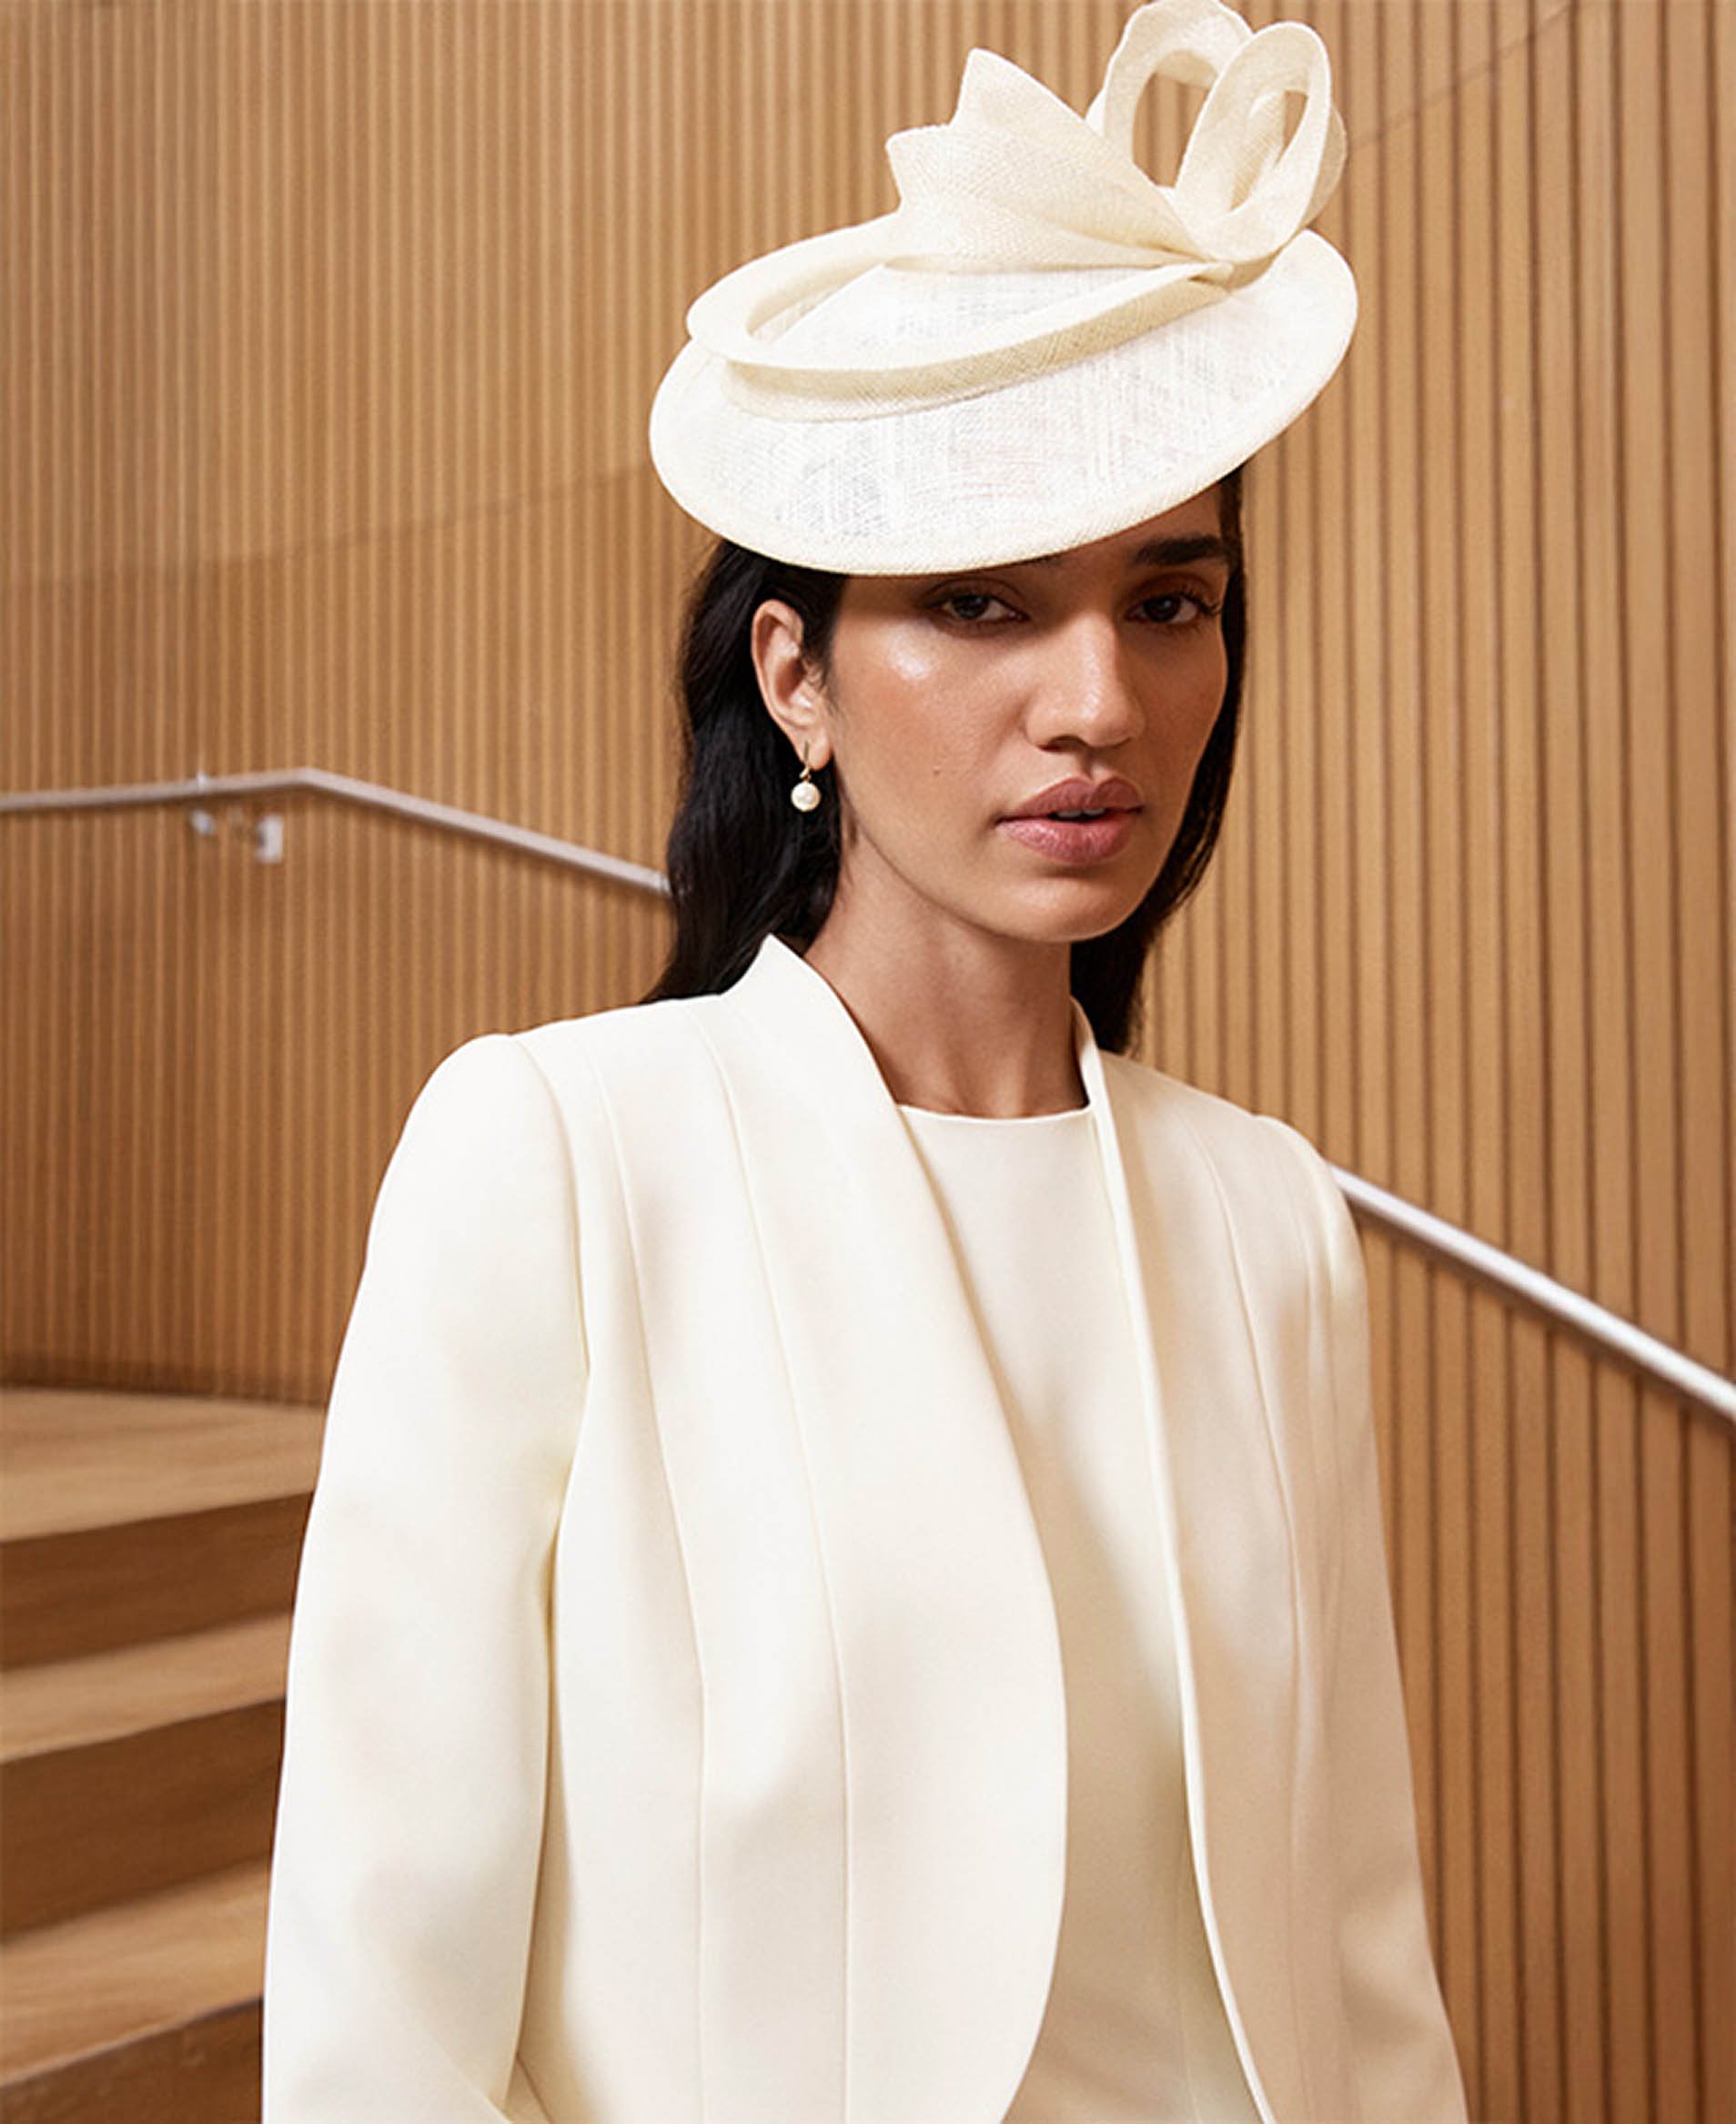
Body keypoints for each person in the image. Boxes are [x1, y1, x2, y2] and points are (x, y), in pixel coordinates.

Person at [262, 2, 1470, 2119]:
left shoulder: (1267, 1216)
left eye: (1168, 603)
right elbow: (381, 2004)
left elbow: (1361, 1957)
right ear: (796, 674)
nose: (1099, 699)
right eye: (986, 605)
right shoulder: (558, 1162)